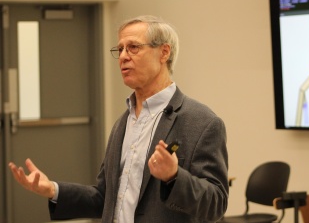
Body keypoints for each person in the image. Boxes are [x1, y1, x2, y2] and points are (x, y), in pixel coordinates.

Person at [8, 15, 229, 223]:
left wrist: (174, 177)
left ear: (164, 53)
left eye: (133, 47)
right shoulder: (124, 122)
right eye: (120, 49)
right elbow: (106, 197)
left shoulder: (202, 123)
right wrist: (54, 190)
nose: (123, 56)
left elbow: (216, 204)